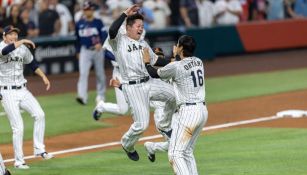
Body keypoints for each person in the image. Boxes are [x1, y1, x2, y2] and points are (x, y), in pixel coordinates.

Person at [108, 4, 176, 161]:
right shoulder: (119, 41)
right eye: (138, 26)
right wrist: (125, 13)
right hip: (134, 88)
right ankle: (127, 143)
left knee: (173, 95)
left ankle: (165, 126)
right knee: (141, 125)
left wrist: (172, 60)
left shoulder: (143, 44)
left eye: (142, 26)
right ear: (128, 27)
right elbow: (112, 30)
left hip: (149, 82)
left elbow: (156, 59)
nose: (141, 28)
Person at [143, 35, 208, 174]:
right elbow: (181, 66)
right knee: (187, 151)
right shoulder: (198, 61)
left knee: (175, 154)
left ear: (181, 48)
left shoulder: (177, 66)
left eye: (178, 45)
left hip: (188, 113)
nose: (175, 46)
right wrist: (176, 55)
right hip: (202, 111)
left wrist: (147, 63)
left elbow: (154, 73)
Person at [0, 25, 54, 169]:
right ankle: (18, 161)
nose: (14, 36)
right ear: (4, 36)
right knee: (18, 127)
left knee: (39, 114)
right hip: (7, 92)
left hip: (22, 90)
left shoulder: (22, 48)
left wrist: (43, 77)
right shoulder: (1, 47)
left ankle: (39, 149)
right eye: (11, 34)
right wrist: (23, 41)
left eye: (15, 34)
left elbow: (32, 64)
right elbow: (6, 50)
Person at [75, 1, 108, 105]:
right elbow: (77, 39)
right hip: (85, 50)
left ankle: (101, 95)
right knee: (83, 74)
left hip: (97, 50)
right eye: (85, 9)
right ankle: (82, 96)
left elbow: (104, 35)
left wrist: (101, 43)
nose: (87, 11)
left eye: (88, 9)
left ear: (92, 10)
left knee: (100, 74)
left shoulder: (98, 22)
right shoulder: (79, 23)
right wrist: (78, 51)